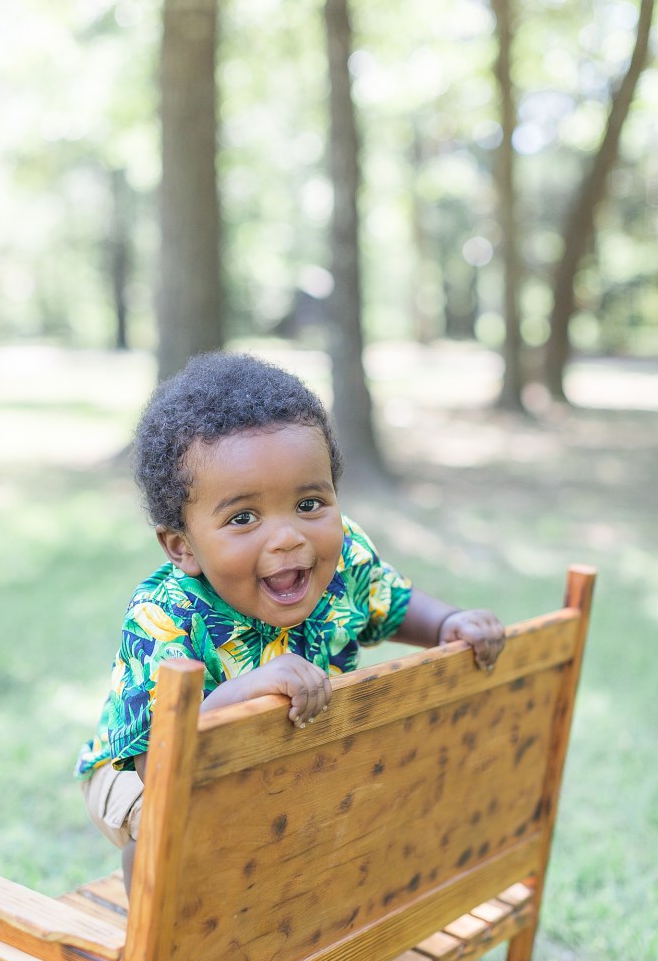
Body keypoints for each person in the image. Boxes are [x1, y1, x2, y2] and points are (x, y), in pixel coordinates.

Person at [75, 351, 504, 893]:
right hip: (134, 773)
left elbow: (390, 603)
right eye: (243, 517)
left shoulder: (344, 558)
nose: (287, 537)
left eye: (308, 504)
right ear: (182, 546)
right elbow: (155, 759)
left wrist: (448, 623)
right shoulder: (165, 613)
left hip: (263, 762)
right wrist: (246, 693)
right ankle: (159, 939)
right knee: (173, 819)